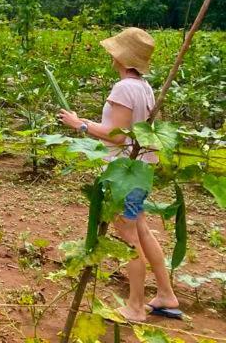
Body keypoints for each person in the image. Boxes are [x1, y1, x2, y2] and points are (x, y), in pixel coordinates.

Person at [57, 27, 181, 323]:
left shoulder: (123, 88)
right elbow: (128, 129)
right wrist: (84, 120)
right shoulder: (144, 87)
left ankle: (136, 307)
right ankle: (165, 294)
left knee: (128, 237)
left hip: (123, 172)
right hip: (140, 169)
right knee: (140, 228)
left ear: (120, 56)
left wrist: (79, 126)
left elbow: (116, 136)